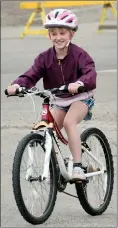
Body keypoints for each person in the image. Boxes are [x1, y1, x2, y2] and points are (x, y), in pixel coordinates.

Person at [7, 8, 97, 181]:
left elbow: (90, 74)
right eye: (53, 33)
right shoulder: (44, 58)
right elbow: (31, 74)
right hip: (59, 100)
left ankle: (77, 166)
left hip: (80, 97)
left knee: (70, 122)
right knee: (47, 128)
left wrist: (79, 84)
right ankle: (56, 164)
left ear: (71, 34)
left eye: (62, 32)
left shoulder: (79, 55)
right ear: (49, 36)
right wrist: (17, 85)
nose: (58, 37)